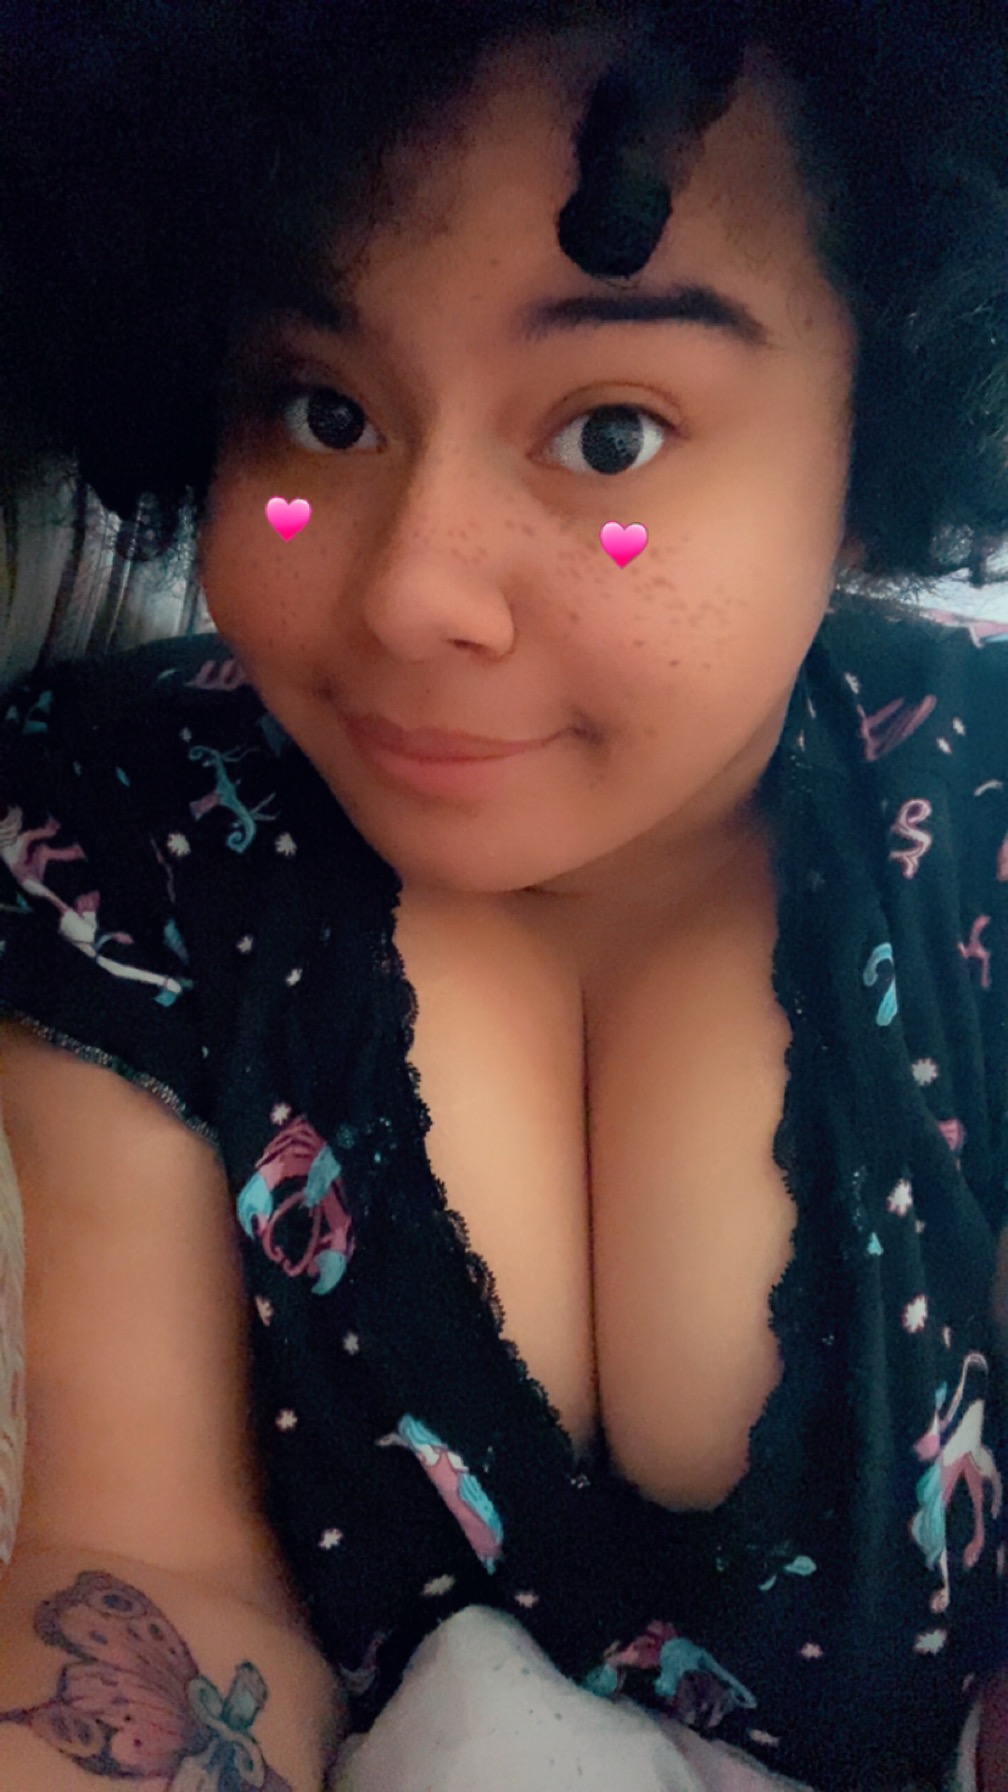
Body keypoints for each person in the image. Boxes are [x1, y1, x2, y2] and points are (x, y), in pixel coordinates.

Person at [0, 2, 1006, 1786]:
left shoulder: (980, 825)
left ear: (877, 442)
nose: (411, 592)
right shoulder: (118, 837)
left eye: (611, 435)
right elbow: (147, 1574)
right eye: (324, 413)